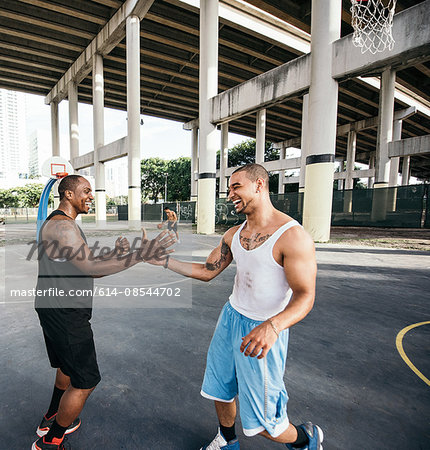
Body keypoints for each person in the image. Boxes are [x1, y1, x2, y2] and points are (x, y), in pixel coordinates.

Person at [149, 164, 322, 449]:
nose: (229, 194)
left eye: (236, 186)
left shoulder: (292, 236)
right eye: (229, 188)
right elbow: (207, 270)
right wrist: (164, 261)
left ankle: (306, 439)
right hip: (231, 318)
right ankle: (227, 440)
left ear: (259, 185)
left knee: (267, 424)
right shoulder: (233, 234)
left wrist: (273, 326)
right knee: (220, 388)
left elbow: (305, 295)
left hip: (264, 328)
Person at [32, 175, 175, 450]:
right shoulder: (63, 227)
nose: (90, 196)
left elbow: (82, 260)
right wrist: (139, 256)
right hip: (66, 313)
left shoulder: (63, 224)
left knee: (66, 366)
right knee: (86, 381)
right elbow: (91, 268)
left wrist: (118, 253)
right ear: (68, 195)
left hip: (54, 308)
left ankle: (51, 415)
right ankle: (51, 441)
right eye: (85, 191)